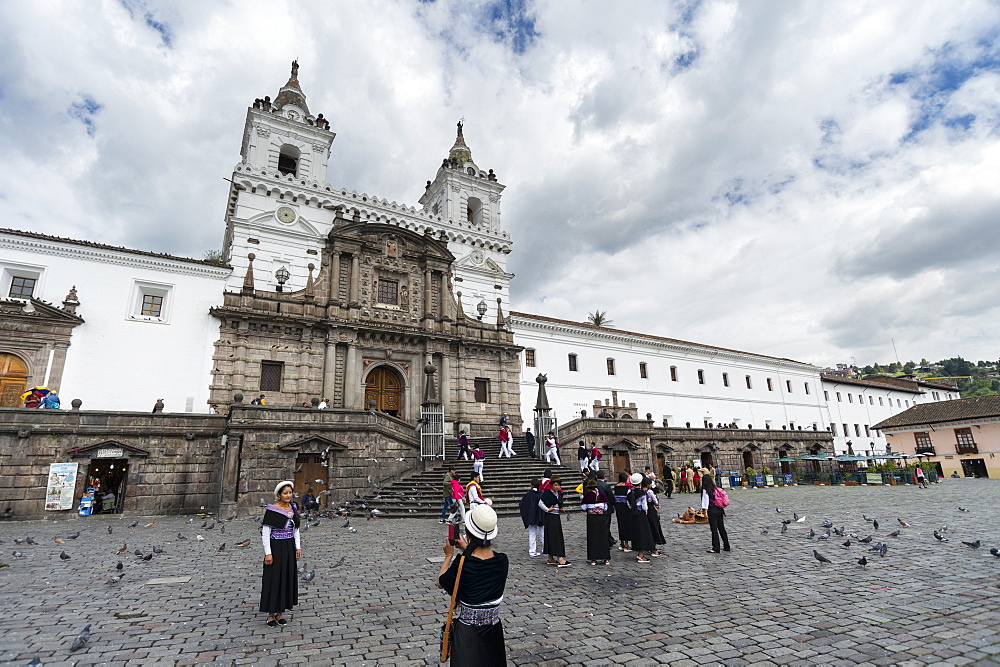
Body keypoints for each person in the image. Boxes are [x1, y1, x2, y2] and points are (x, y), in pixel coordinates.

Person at [437, 504, 508, 666]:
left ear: (468, 534)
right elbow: (482, 563)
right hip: (493, 630)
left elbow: (441, 582)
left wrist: (449, 556)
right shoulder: (503, 560)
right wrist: (467, 548)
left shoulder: (463, 563)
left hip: (469, 634)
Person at [260, 481, 302, 626]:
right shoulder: (273, 510)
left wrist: (298, 547)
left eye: (290, 493)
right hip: (276, 547)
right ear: (279, 495)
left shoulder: (293, 508)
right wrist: (268, 553)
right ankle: (270, 614)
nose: (288, 495)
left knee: (285, 578)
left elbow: (296, 529)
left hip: (289, 546)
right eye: (285, 493)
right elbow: (266, 533)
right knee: (273, 579)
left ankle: (280, 612)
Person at [539, 478, 570, 567]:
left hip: (556, 516)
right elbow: (540, 503)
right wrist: (547, 509)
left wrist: (560, 509)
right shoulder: (547, 494)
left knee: (553, 536)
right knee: (555, 536)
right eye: (555, 485)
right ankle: (560, 558)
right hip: (550, 517)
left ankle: (550, 558)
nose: (557, 487)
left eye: (558, 485)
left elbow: (558, 504)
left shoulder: (558, 494)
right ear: (551, 486)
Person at [700, 468, 730, 554]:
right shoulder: (715, 488)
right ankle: (726, 546)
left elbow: (705, 502)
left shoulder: (705, 490)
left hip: (712, 511)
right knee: (721, 528)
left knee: (714, 529)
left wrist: (705, 512)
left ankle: (716, 547)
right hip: (720, 510)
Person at [581, 478, 611, 565]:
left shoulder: (587, 496)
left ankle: (593, 559)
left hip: (591, 518)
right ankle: (606, 558)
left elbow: (584, 507)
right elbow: (605, 507)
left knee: (592, 537)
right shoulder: (601, 495)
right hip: (601, 517)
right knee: (603, 537)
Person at [628, 473, 656, 563]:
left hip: (633, 514)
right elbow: (645, 506)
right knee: (643, 534)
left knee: (636, 532)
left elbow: (629, 505)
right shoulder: (642, 493)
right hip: (641, 514)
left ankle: (637, 551)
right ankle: (641, 555)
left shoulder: (629, 493)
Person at [518, 480, 545, 557]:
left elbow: (522, 505)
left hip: (532, 516)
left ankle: (532, 551)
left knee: (532, 533)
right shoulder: (542, 494)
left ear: (532, 485)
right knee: (543, 533)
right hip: (541, 516)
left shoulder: (528, 495)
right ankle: (545, 549)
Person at [595, 470, 617, 550]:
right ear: (604, 476)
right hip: (606, 508)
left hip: (596, 508)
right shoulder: (606, 486)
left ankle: (610, 540)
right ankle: (605, 542)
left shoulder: (594, 485)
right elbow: (611, 497)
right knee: (606, 526)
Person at [612, 472, 634, 552]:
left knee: (620, 525)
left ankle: (621, 543)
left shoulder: (616, 487)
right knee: (626, 526)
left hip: (618, 508)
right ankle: (626, 544)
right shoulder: (626, 488)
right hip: (626, 508)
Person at [645, 478, 665, 553]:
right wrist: (656, 505)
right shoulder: (649, 492)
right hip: (651, 510)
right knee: (654, 527)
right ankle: (653, 547)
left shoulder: (640, 491)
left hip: (644, 511)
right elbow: (655, 501)